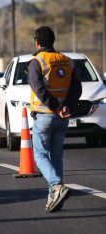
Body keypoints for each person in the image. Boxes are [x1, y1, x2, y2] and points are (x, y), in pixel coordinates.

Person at [28, 26, 82, 212]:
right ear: (53, 41)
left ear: (37, 42)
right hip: (63, 117)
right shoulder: (67, 61)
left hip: (45, 115)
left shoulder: (37, 62)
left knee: (40, 155)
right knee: (56, 154)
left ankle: (56, 186)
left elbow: (39, 90)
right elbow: (77, 88)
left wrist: (57, 107)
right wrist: (66, 106)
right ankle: (54, 197)